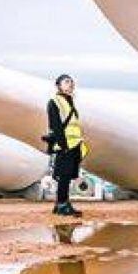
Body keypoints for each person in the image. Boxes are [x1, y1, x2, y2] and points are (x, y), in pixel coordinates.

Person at [46, 73, 88, 218]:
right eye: (66, 82)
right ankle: (62, 205)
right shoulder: (55, 101)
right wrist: (62, 144)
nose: (70, 84)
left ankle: (61, 204)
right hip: (66, 145)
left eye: (71, 82)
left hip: (74, 144)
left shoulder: (70, 101)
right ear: (58, 85)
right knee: (63, 176)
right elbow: (55, 125)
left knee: (68, 176)